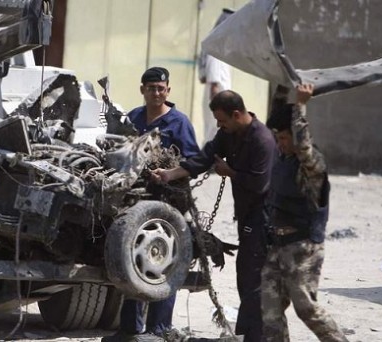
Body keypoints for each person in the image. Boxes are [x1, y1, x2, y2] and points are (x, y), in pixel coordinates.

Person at [152, 90, 276, 342]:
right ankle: (251, 334)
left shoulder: (262, 140)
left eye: (222, 120)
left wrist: (229, 171)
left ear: (237, 114)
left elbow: (260, 183)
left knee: (253, 278)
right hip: (247, 216)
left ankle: (257, 337)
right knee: (246, 276)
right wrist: (170, 174)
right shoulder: (228, 134)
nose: (219, 125)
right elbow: (203, 157)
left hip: (264, 217)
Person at [102, 67, 200, 342]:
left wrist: (169, 172)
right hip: (133, 203)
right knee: (131, 264)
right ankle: (130, 329)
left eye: (161, 88)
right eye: (151, 88)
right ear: (142, 90)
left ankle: (159, 330)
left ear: (168, 90)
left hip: (167, 206)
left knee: (162, 265)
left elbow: (194, 162)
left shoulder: (179, 123)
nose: (156, 93)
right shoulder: (133, 117)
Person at [261, 83, 349, 342]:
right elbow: (273, 125)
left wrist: (300, 105)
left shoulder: (312, 164)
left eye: (285, 138)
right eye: (279, 139)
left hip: (303, 248)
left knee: (306, 309)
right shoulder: (282, 157)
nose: (281, 143)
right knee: (270, 310)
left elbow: (302, 146)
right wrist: (279, 88)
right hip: (277, 246)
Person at [198, 8, 233, 142]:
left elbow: (203, 77)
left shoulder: (219, 48)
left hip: (218, 100)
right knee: (214, 133)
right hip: (218, 100)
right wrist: (218, 107)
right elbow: (214, 84)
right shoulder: (217, 49)